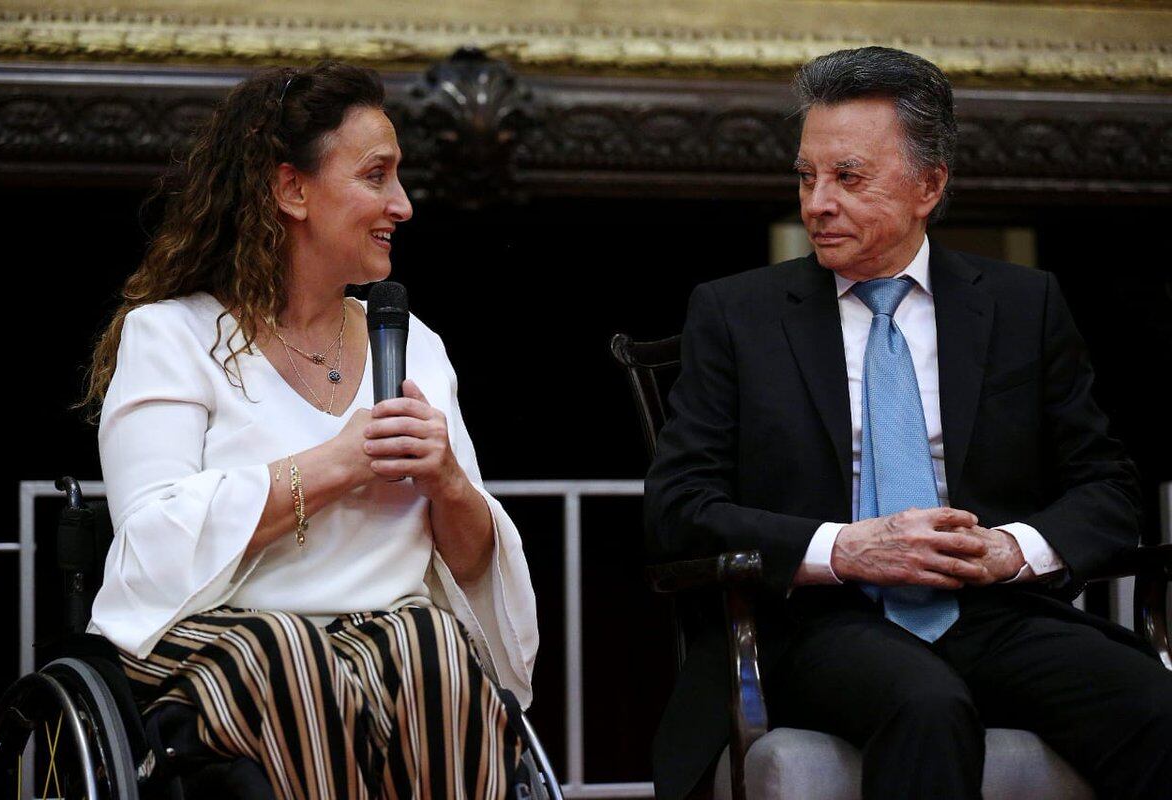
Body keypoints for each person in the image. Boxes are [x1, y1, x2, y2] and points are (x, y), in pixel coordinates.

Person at [645, 46, 1172, 800]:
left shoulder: (1024, 306)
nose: (816, 203)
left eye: (848, 177)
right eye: (806, 176)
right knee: (925, 703)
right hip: (817, 623)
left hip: (989, 611)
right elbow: (678, 512)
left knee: (1153, 705)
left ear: (929, 185)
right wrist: (848, 549)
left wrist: (1009, 550)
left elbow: (1108, 489)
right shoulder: (737, 315)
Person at [82, 61, 538, 799]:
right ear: (291, 189)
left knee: (436, 645)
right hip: (220, 641)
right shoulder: (170, 336)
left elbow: (474, 563)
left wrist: (449, 481)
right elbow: (153, 550)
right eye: (377, 176)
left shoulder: (414, 343)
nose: (404, 204)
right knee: (290, 649)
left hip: (385, 638)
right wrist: (335, 464)